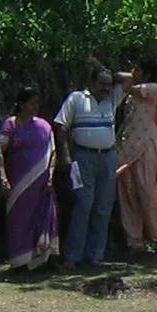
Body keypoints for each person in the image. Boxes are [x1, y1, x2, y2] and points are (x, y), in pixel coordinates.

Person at [53, 65, 124, 266]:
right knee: (83, 205)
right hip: (83, 158)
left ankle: (95, 255)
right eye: (101, 84)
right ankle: (72, 256)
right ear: (91, 83)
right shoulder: (77, 99)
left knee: (103, 208)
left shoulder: (112, 98)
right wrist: (65, 156)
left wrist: (114, 76)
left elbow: (131, 79)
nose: (105, 88)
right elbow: (60, 126)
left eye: (108, 85)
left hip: (108, 158)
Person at [0, 87, 60, 271]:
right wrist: (3, 178)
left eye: (37, 103)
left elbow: (53, 152)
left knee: (45, 217)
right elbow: (0, 152)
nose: (35, 107)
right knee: (19, 220)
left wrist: (50, 176)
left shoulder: (44, 126)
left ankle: (45, 260)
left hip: (42, 183)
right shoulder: (11, 124)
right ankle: (19, 262)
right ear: (21, 104)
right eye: (32, 103)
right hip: (19, 183)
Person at [114, 63, 157, 255]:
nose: (133, 73)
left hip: (147, 148)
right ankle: (135, 241)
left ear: (146, 73)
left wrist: (126, 76)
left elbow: (124, 83)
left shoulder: (152, 89)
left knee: (149, 196)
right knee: (128, 196)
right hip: (127, 151)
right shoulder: (131, 95)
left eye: (138, 69)